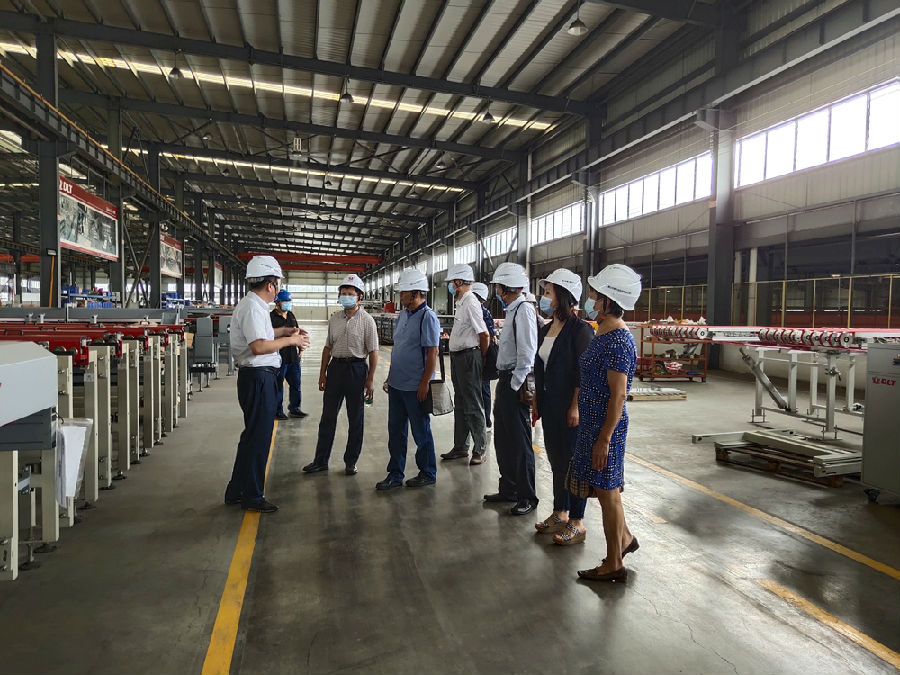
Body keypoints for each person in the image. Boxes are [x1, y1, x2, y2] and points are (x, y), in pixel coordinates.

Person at [567, 264, 642, 582]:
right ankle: (624, 539)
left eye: (595, 295)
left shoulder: (618, 341)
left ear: (610, 300)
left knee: (608, 492)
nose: (591, 299)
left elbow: (618, 395)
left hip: (605, 429)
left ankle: (614, 563)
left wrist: (604, 439)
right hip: (593, 425)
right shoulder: (603, 332)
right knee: (604, 488)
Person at [224, 256, 310, 513]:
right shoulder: (253, 308)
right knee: (259, 439)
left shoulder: (256, 306)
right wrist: (291, 342)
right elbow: (259, 346)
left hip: (259, 377)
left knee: (252, 437)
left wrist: (283, 332)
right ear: (271, 285)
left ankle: (236, 490)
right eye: (278, 283)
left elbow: (262, 335)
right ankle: (252, 496)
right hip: (258, 377)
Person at [531, 269, 595, 544]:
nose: (544, 297)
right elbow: (540, 367)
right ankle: (561, 512)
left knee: (574, 462)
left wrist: (575, 406)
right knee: (557, 459)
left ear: (563, 295)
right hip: (549, 403)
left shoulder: (580, 330)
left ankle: (577, 521)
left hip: (570, 406)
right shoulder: (546, 329)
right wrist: (537, 398)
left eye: (548, 292)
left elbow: (583, 372)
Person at [303, 274, 379, 476]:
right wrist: (322, 373)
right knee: (327, 417)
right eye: (343, 293)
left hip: (356, 370)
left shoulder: (367, 321)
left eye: (350, 293)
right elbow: (327, 347)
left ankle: (351, 461)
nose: (346, 296)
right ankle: (320, 460)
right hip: (335, 369)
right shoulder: (335, 319)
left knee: (356, 419)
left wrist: (370, 379)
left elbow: (373, 352)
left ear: (359, 297)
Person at [376, 268, 441, 490]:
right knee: (396, 432)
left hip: (415, 387)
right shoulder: (403, 315)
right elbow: (398, 348)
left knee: (421, 432)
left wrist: (424, 383)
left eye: (403, 292)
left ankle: (428, 472)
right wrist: (390, 376)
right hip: (397, 384)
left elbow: (433, 352)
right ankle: (395, 474)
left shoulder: (427, 317)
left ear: (415, 293)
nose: (400, 296)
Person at [484, 262, 539, 516]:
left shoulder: (524, 310)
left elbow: (527, 352)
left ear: (506, 287)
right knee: (503, 439)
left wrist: (515, 385)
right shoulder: (512, 310)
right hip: (506, 380)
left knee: (519, 443)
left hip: (515, 382)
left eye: (498, 286)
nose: (496, 291)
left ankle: (527, 496)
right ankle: (509, 489)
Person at [440, 263, 490, 466]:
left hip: (469, 357)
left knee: (473, 404)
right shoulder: (461, 302)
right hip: (459, 358)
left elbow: (484, 334)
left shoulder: (471, 302)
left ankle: (480, 448)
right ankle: (460, 446)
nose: (451, 286)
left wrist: (481, 358)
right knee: (460, 403)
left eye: (453, 282)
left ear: (460, 281)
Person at [270, 289, 307, 420]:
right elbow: (269, 336)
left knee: (296, 385)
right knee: (278, 386)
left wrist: (300, 348)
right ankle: (277, 411)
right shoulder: (271, 317)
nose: (288, 303)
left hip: (293, 357)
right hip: (279, 358)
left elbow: (296, 332)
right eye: (285, 301)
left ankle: (295, 409)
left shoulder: (291, 315)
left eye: (289, 300)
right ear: (277, 303)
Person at [471, 282, 496, 432]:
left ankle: (486, 421)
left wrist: (483, 356)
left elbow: (487, 336)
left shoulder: (481, 312)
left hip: (481, 354)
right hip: (477, 354)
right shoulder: (479, 310)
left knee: (483, 388)